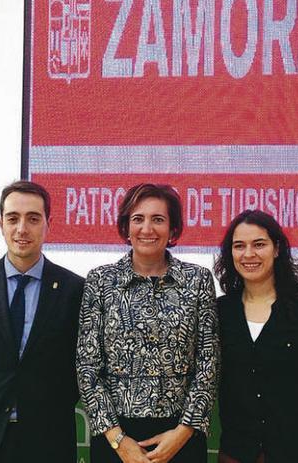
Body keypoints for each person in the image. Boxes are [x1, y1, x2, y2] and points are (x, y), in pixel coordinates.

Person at [77, 183, 219, 463]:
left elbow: (208, 363)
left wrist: (182, 433)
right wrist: (119, 440)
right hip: (116, 440)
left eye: (158, 219)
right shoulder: (101, 281)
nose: (147, 228)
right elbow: (87, 367)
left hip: (181, 438)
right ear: (126, 227)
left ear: (173, 228)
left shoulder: (197, 280)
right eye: (138, 219)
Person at [0, 181, 85, 463]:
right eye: (13, 219)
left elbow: (78, 366)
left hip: (48, 439)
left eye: (33, 219)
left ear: (49, 223)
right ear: (1, 224)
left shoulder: (74, 290)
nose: (22, 229)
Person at [213, 210, 298, 463]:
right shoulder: (221, 312)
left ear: (277, 249)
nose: (248, 254)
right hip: (238, 453)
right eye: (239, 246)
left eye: (259, 244)